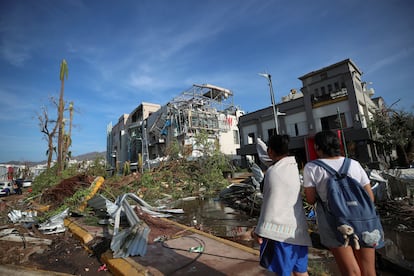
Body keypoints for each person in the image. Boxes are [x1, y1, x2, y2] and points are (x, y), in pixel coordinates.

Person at [303, 130, 376, 276]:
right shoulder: (354, 164)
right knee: (369, 270)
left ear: (317, 147)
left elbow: (310, 199)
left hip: (335, 223)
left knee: (351, 271)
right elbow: (370, 197)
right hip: (364, 220)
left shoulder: (312, 168)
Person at [252, 134, 312, 276]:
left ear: (271, 151)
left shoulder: (273, 172)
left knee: (282, 272)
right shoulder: (292, 167)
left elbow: (270, 203)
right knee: (300, 271)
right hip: (299, 231)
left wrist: (260, 230)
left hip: (279, 234)